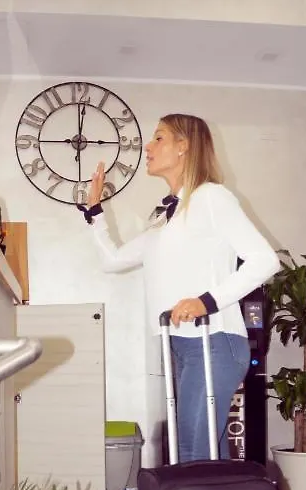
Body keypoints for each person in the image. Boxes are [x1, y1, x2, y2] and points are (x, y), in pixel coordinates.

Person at [79, 114, 280, 462]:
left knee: (193, 452)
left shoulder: (212, 197)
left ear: (184, 146)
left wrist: (206, 302)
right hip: (181, 345)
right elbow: (113, 260)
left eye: (159, 138)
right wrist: (94, 211)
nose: (148, 146)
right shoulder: (165, 216)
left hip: (214, 341)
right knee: (203, 452)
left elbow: (265, 261)